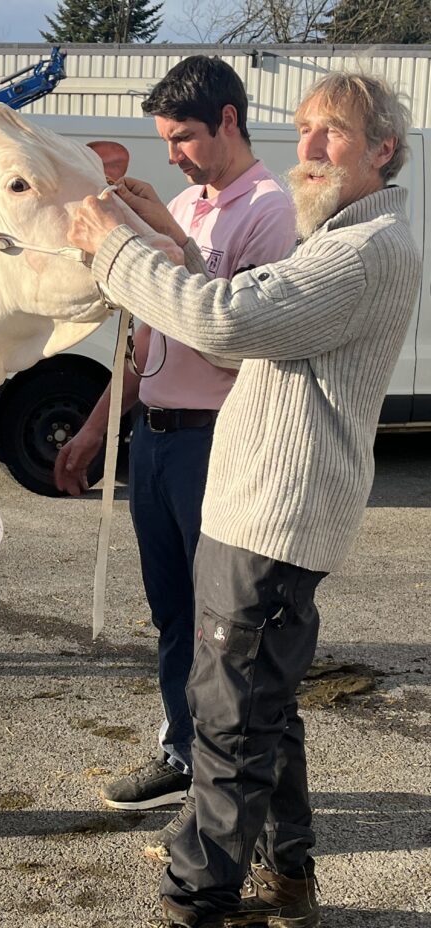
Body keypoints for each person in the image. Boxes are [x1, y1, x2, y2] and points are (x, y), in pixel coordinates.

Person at [68, 72, 421, 928]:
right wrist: (164, 241)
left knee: (227, 713)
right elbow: (242, 309)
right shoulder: (335, 236)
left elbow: (225, 323)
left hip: (275, 509)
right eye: (302, 128)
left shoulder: (363, 250)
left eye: (330, 132)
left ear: (382, 150)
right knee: (260, 698)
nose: (305, 147)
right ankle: (288, 874)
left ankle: (199, 897)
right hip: (258, 501)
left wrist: (115, 248)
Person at [54, 56, 295, 857]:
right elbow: (144, 340)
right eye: (166, 141)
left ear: (229, 119)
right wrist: (96, 429)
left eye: (185, 137)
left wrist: (167, 251)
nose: (176, 156)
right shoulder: (185, 205)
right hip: (157, 442)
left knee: (227, 632)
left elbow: (240, 349)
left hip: (216, 441)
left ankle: (229, 803)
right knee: (172, 617)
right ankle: (183, 754)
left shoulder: (271, 212)